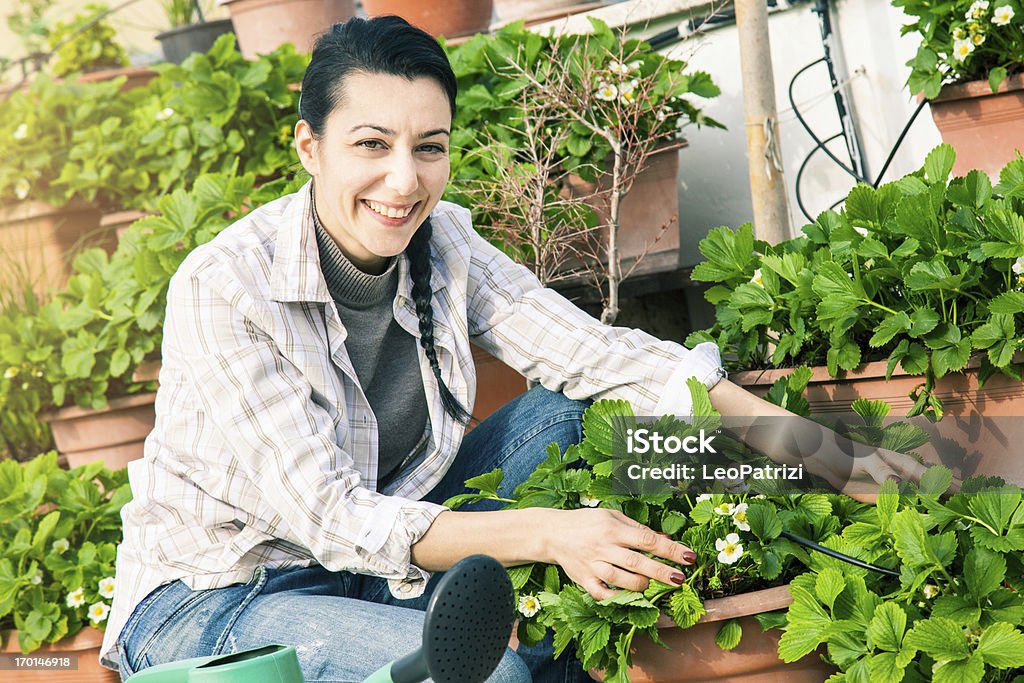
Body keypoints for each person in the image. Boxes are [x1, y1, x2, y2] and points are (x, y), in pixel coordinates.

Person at [101, 15, 926, 683]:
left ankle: (738, 534)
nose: (404, 181)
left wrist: (828, 459)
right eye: (371, 145)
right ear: (308, 147)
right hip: (220, 596)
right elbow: (333, 516)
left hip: (375, 560)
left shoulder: (446, 239)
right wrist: (554, 534)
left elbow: (608, 359)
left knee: (577, 415)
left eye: (430, 147)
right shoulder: (226, 286)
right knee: (496, 676)